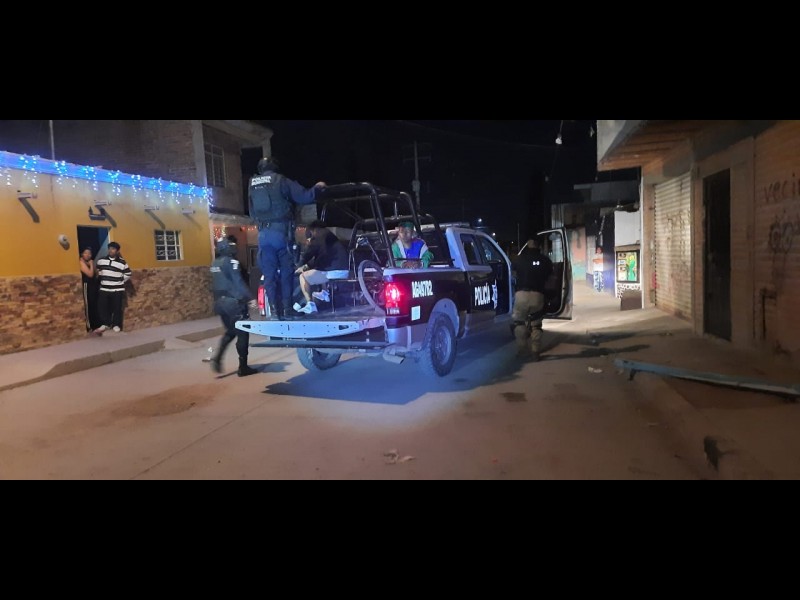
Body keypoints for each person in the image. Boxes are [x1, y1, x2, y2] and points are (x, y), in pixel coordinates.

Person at [248, 156, 325, 319]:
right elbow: (305, 197)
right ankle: (288, 310)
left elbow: (252, 212)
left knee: (269, 276)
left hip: (263, 236)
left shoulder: (252, 184)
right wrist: (318, 188)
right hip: (281, 234)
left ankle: (275, 312)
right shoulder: (280, 181)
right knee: (286, 273)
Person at [209, 236, 258, 377]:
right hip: (233, 303)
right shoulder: (231, 262)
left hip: (219, 303)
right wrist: (250, 298)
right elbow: (238, 282)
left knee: (231, 331)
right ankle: (243, 367)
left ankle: (217, 357)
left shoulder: (215, 263)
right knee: (243, 332)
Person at [294, 220, 349, 314]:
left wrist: (298, 266)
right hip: (343, 269)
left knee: (303, 277)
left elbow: (308, 254)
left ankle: (310, 305)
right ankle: (325, 292)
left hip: (334, 271)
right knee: (318, 270)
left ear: (313, 230)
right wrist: (307, 266)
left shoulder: (318, 237)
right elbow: (321, 257)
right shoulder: (329, 235)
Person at [511, 238, 553, 361]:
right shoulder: (545, 260)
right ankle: (535, 352)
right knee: (536, 325)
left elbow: (513, 274)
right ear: (539, 246)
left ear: (527, 246)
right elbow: (550, 277)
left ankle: (523, 351)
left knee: (519, 323)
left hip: (521, 295)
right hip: (537, 295)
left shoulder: (518, 259)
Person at [94, 242, 132, 334]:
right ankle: (105, 324)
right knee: (102, 307)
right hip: (104, 289)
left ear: (117, 251)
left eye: (113, 249)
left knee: (117, 308)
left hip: (117, 289)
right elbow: (98, 270)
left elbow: (128, 273)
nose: (111, 250)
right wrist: (101, 276)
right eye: (110, 248)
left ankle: (116, 325)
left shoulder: (122, 262)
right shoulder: (101, 260)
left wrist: (120, 280)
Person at [79, 247, 101, 332]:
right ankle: (89, 326)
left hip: (93, 285)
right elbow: (90, 274)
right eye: (86, 253)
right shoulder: (81, 262)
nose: (88, 255)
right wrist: (92, 264)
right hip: (87, 285)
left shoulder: (88, 262)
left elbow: (95, 273)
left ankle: (96, 323)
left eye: (89, 253)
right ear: (82, 254)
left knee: (94, 304)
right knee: (88, 305)